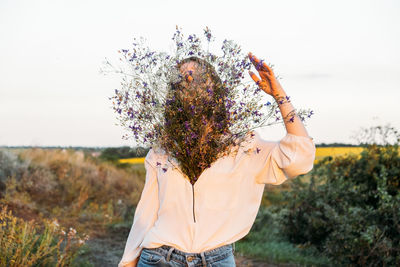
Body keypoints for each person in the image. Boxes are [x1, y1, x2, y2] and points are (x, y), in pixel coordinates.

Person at [118, 52, 316, 267]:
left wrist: (279, 96)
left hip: (216, 261)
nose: (190, 80)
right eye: (182, 78)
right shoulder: (162, 151)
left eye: (198, 76)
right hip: (158, 259)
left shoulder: (245, 146)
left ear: (216, 91)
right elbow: (146, 213)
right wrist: (128, 261)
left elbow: (299, 159)